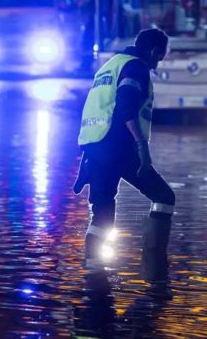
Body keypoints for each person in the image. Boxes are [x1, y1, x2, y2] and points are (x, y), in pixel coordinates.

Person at [73, 28, 175, 281]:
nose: (157, 63)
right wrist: (142, 147)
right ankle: (154, 265)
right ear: (153, 51)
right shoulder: (136, 67)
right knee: (164, 196)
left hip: (95, 148)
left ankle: (94, 279)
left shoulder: (110, 65)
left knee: (103, 211)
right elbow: (126, 108)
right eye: (159, 57)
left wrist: (89, 157)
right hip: (119, 146)